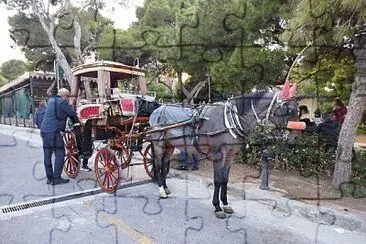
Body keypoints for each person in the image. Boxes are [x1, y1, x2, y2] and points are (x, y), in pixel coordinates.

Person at [40, 88, 77, 185]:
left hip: (44, 130)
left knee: (47, 155)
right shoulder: (62, 102)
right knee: (60, 154)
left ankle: (49, 178)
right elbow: (72, 114)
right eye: (68, 96)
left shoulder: (51, 100)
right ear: (65, 96)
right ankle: (57, 178)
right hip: (54, 131)